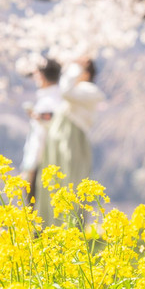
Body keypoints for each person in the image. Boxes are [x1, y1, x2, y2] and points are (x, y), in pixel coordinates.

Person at [35, 56, 105, 227]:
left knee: (69, 184)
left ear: (87, 74)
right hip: (60, 144)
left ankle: (69, 229)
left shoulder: (89, 90)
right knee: (53, 185)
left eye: (81, 71)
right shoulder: (79, 93)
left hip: (73, 143)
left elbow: (65, 91)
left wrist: (75, 66)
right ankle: (50, 227)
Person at [21, 58, 62, 206]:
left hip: (40, 166)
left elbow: (39, 139)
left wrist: (29, 169)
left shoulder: (46, 104)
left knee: (35, 214)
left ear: (41, 75)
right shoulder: (61, 100)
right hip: (56, 166)